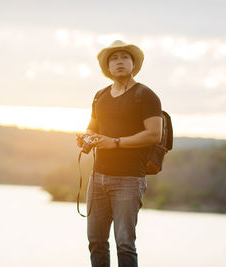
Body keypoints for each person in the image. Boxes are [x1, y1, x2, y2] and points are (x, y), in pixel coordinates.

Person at [76, 40, 163, 267]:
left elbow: (155, 135)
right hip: (98, 178)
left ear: (133, 63)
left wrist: (114, 142)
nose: (119, 62)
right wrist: (86, 138)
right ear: (108, 67)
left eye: (125, 57)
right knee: (96, 241)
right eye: (114, 59)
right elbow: (93, 126)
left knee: (124, 243)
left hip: (129, 179)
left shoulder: (146, 95)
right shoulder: (100, 96)